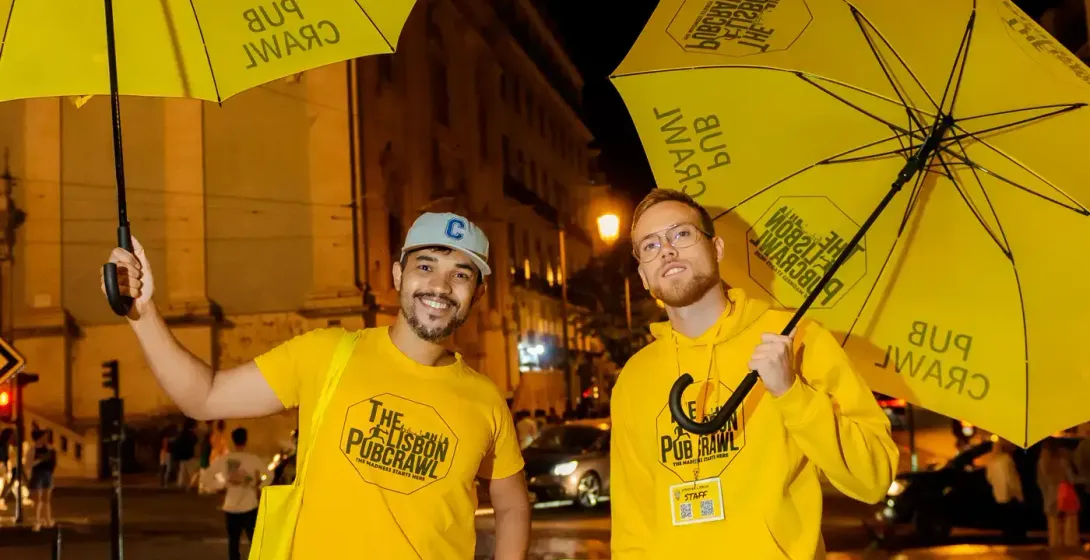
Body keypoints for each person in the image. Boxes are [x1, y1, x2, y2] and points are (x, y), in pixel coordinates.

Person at [101, 212, 530, 559]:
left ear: (478, 293)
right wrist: (142, 312)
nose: (439, 285)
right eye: (425, 266)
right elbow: (204, 396)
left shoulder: (485, 400)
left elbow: (512, 504)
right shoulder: (325, 354)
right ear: (399, 275)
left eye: (461, 274)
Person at [610, 190, 898, 559]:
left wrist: (791, 391)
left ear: (716, 249)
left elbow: (873, 477)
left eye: (681, 234)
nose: (666, 250)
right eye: (649, 245)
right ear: (643, 274)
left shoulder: (794, 338)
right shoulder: (636, 377)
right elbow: (633, 523)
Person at [201, 427, 266, 560]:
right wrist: (257, 485)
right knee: (254, 541)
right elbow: (269, 475)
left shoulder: (225, 459)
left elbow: (206, 476)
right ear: (246, 440)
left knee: (233, 543)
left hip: (231, 507)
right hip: (249, 505)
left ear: (233, 440)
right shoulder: (252, 459)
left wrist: (221, 485)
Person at [1038, 438, 1081, 550]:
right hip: (1065, 499)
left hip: (1050, 502)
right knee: (1069, 534)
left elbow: (1040, 483)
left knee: (1054, 538)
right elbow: (1071, 479)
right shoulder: (1062, 460)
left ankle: (1055, 555)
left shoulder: (1041, 463)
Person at [984, 438, 1025, 542]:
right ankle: (1015, 538)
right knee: (1014, 518)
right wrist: (1019, 494)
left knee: (1005, 518)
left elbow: (989, 477)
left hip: (999, 493)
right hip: (1010, 494)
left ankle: (1007, 537)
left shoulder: (992, 461)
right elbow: (1011, 479)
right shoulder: (1007, 459)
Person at [27, 428, 56, 531]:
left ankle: (48, 520)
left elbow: (53, 463)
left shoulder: (50, 449)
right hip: (37, 474)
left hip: (47, 475)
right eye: (43, 436)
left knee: (47, 500)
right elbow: (29, 464)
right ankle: (37, 521)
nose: (45, 438)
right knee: (38, 500)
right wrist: (40, 460)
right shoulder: (33, 449)